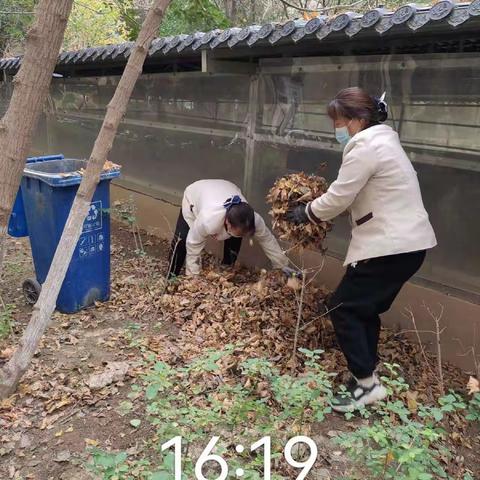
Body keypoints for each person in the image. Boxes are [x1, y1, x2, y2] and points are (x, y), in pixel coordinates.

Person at [287, 87, 437, 412]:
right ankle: (367, 375)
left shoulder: (366, 147)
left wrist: (307, 212)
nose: (336, 129)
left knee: (343, 307)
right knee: (363, 307)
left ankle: (367, 386)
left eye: (338, 122)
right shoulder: (384, 142)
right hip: (407, 246)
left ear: (356, 120)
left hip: (392, 246)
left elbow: (341, 195)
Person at [168, 179, 296, 278]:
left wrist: (282, 265)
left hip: (225, 188)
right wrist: (193, 277)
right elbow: (193, 244)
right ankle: (171, 274)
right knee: (182, 239)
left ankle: (225, 269)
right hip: (194, 196)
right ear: (227, 222)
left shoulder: (253, 219)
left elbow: (267, 240)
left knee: (235, 237)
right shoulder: (208, 219)